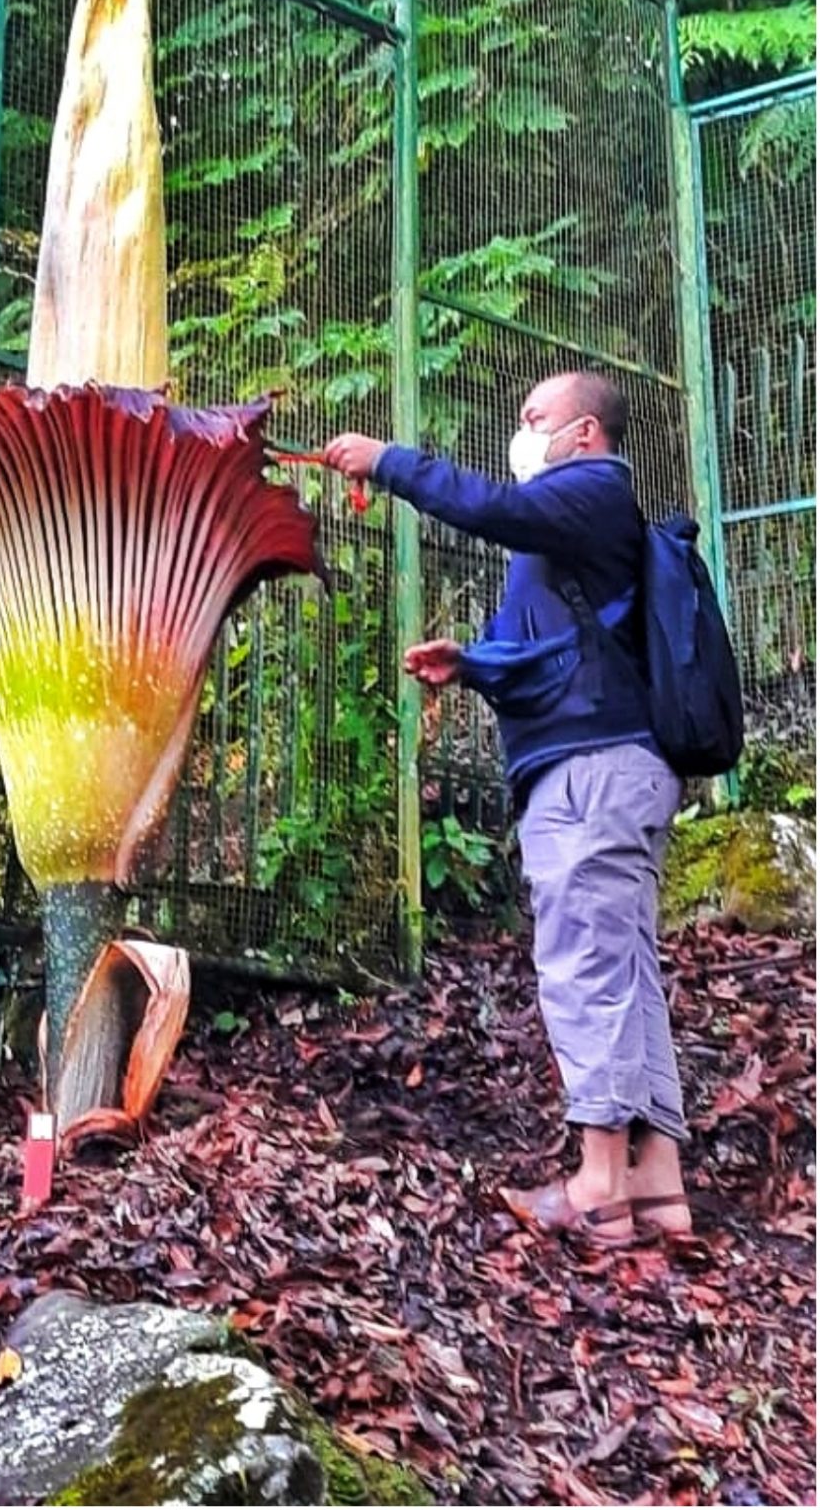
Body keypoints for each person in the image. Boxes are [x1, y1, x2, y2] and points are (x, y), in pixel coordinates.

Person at [321, 371, 692, 1248]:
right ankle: (657, 1183)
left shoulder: (592, 491)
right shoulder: (578, 523)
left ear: (587, 434)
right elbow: (559, 650)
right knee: (627, 968)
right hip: (610, 762)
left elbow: (489, 506)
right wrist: (477, 662)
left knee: (586, 966)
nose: (522, 432)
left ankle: (600, 1184)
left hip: (591, 772)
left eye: (536, 418)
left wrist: (390, 462)